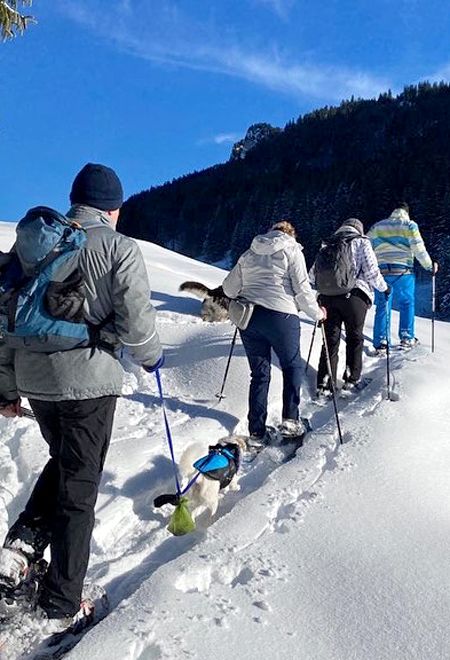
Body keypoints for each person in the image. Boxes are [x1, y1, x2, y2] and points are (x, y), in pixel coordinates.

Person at [0, 163, 163, 628]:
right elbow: (136, 322)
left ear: (75, 199)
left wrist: (7, 388)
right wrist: (151, 357)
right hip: (88, 382)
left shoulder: (36, 242)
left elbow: (8, 320)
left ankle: (19, 552)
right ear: (114, 208)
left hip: (35, 380)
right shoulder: (118, 247)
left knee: (67, 463)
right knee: (80, 488)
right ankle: (60, 603)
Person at [222, 220, 326, 444]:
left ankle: (257, 431)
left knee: (259, 374)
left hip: (249, 318)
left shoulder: (249, 253)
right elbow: (302, 289)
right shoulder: (292, 250)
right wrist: (318, 313)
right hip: (282, 316)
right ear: (290, 234)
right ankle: (290, 420)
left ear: (270, 232)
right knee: (291, 366)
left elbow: (228, 289)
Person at [311, 218, 388, 396]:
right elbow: (371, 272)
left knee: (330, 341)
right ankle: (351, 380)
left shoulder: (327, 244)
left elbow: (312, 275)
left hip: (327, 299)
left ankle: (324, 384)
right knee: (354, 338)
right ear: (359, 229)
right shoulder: (361, 242)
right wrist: (385, 288)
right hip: (354, 297)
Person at [368, 202, 437, 352]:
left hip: (382, 272)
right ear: (406, 212)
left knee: (382, 305)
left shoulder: (377, 227)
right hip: (403, 271)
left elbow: (367, 247)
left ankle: (381, 342)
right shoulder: (409, 225)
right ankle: (406, 337)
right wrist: (429, 266)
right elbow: (418, 248)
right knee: (406, 303)